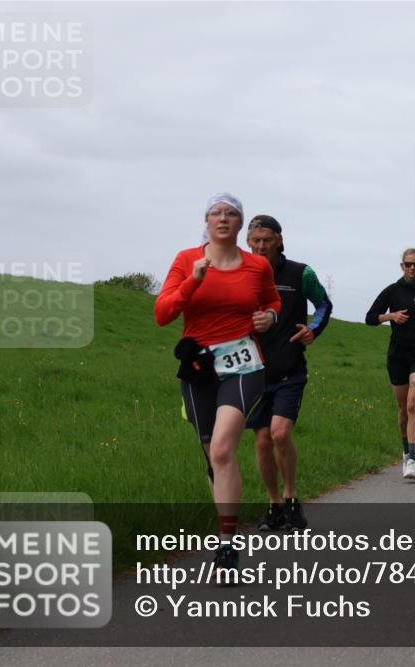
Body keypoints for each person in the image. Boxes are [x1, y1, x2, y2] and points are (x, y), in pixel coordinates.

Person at [155, 193, 281, 577]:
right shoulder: (185, 260)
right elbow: (162, 314)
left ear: (240, 224)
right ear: (206, 222)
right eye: (215, 213)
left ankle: (227, 548)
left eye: (230, 213)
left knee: (224, 450)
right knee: (213, 455)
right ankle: (226, 530)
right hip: (199, 367)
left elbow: (273, 301)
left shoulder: (258, 266)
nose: (222, 218)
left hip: (244, 364)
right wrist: (192, 282)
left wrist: (270, 319)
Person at [245, 215, 332, 532]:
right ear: (248, 243)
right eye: (255, 240)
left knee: (279, 433)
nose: (261, 246)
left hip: (289, 370)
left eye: (267, 239)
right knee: (262, 442)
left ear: (280, 240)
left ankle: (292, 498)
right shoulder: (240, 275)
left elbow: (323, 304)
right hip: (252, 372)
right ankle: (274, 506)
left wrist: (312, 330)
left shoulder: (300, 273)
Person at [365, 249, 415, 480]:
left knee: (411, 405)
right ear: (401, 265)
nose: (412, 268)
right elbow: (370, 318)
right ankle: (406, 451)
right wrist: (391, 316)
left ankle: (413, 461)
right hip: (397, 355)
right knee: (402, 409)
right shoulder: (391, 291)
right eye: (408, 264)